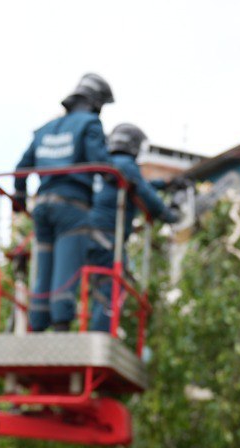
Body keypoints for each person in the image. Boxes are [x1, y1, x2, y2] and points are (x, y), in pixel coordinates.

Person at [14, 73, 113, 331]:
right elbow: (100, 162)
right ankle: (60, 325)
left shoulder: (45, 129)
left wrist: (21, 199)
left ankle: (36, 326)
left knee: (43, 267)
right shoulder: (89, 123)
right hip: (72, 206)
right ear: (95, 103)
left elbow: (21, 168)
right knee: (66, 269)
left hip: (42, 206)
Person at [87, 123, 179, 333]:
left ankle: (96, 330)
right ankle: (100, 335)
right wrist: (170, 216)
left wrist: (164, 184)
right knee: (112, 288)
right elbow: (148, 198)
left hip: (87, 235)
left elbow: (140, 185)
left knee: (98, 285)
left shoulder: (106, 165)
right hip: (108, 238)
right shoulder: (126, 165)